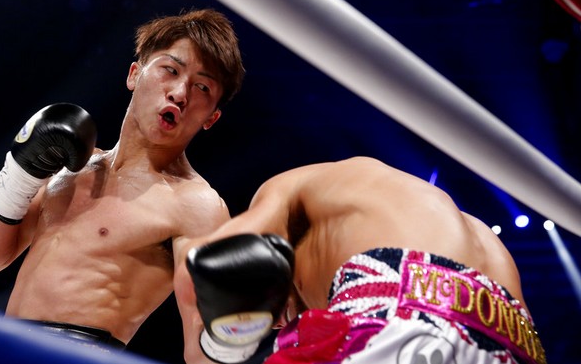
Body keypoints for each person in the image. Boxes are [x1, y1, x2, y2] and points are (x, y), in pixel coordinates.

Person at [0, 8, 245, 351]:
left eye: (201, 87)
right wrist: (21, 170)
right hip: (2, 350)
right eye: (171, 70)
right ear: (135, 74)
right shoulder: (69, 168)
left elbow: (206, 339)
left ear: (211, 118)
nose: (180, 93)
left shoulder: (196, 205)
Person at [175, 156, 546, 364]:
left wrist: (208, 347)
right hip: (518, 345)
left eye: (284, 316)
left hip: (403, 314)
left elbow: (200, 269)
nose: (281, 324)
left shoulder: (283, 190)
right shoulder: (383, 196)